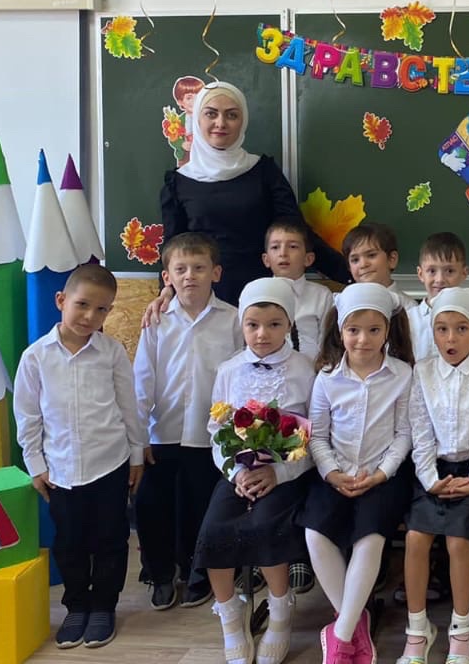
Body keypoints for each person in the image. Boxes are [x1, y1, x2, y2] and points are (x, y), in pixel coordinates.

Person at [13, 263, 144, 650]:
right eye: (82, 305)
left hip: (110, 464)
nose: (90, 316)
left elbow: (128, 405)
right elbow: (28, 416)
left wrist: (136, 454)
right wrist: (35, 465)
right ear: (61, 300)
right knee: (69, 542)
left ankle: (103, 605)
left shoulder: (112, 353)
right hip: (61, 470)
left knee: (110, 539)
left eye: (101, 309)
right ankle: (76, 605)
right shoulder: (36, 358)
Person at [195, 278, 315, 664]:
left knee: (266, 526)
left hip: (285, 474)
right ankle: (231, 618)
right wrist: (235, 472)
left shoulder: (305, 369)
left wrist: (279, 474)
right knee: (215, 528)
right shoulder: (230, 369)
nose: (262, 334)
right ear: (242, 326)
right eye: (253, 325)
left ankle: (280, 613)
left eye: (274, 324)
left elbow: (315, 435)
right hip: (238, 475)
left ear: (289, 325)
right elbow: (216, 430)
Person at [154, 81, 350, 311]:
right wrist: (166, 289)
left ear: (243, 121)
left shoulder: (263, 172)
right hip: (204, 298)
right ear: (197, 119)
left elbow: (296, 232)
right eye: (211, 114)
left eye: (231, 115)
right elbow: (173, 245)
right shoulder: (178, 182)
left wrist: (350, 275)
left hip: (264, 295)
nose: (221, 123)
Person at [298, 283, 416, 664]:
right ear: (340, 331)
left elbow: (404, 434)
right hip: (334, 472)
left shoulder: (402, 375)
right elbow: (317, 436)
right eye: (353, 330)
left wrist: (381, 473)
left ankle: (340, 637)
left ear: (387, 331)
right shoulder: (326, 378)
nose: (363, 340)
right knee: (315, 533)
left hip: (383, 476)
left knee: (371, 536)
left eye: (373, 330)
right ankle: (354, 624)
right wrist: (332, 473)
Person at [134, 233, 242, 611]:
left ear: (216, 273)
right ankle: (160, 574)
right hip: (161, 431)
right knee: (152, 506)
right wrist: (138, 437)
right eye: (180, 269)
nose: (190, 276)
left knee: (201, 507)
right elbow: (143, 379)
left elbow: (241, 376)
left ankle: (199, 573)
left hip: (210, 435)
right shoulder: (156, 320)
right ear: (167, 277)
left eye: (199, 268)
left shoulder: (233, 320)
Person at [400, 287, 469, 664]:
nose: (451, 338)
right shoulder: (423, 371)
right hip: (431, 470)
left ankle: (461, 632)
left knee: (458, 542)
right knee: (415, 538)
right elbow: (420, 431)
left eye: (461, 329)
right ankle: (417, 630)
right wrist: (430, 478)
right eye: (442, 329)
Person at [263, 217, 335, 348]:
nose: (283, 253)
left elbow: (327, 345)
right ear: (266, 260)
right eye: (275, 247)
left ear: (308, 259)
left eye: (293, 247)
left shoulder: (322, 296)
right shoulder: (258, 294)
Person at [408, 231, 469, 363]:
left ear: (464, 273)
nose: (440, 279)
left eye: (449, 271)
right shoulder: (408, 320)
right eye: (432, 271)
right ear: (420, 274)